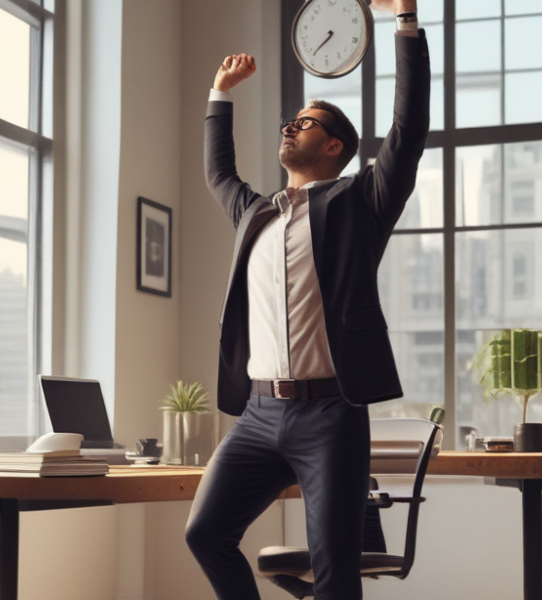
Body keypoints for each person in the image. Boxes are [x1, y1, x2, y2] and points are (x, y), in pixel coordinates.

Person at [184, 1, 430, 599]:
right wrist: (220, 94)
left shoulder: (360, 203)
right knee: (206, 534)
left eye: (307, 122)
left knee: (335, 573)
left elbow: (408, 131)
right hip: (258, 414)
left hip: (330, 416)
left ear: (334, 145)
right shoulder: (255, 214)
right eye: (289, 121)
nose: (290, 127)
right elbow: (219, 174)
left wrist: (405, 21)